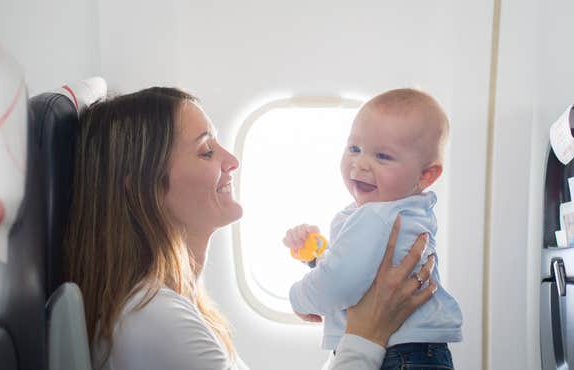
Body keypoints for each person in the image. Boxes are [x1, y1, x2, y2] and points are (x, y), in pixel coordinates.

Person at [63, 87, 438, 370]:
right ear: (142, 186)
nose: (231, 160)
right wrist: (365, 334)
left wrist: (355, 324)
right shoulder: (152, 318)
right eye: (207, 151)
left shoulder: (175, 305)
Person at [283, 89, 462, 369]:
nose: (360, 163)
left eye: (382, 156)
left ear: (426, 175)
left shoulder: (376, 216)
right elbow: (366, 271)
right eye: (354, 148)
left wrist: (298, 298)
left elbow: (341, 283)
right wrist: (316, 256)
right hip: (418, 352)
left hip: (398, 355)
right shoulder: (400, 210)